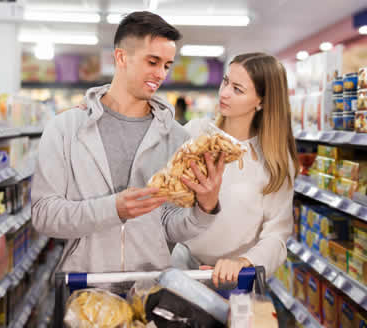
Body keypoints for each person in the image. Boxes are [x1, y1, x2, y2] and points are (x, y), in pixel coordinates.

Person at [31, 11, 224, 274]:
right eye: (153, 61)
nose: (160, 74)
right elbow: (44, 215)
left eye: (167, 65)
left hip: (150, 288)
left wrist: (206, 207)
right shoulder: (66, 129)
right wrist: (113, 209)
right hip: (84, 288)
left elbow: (169, 226)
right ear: (121, 57)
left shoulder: (178, 139)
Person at [172, 53, 299, 287]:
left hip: (236, 278)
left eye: (238, 89)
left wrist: (243, 261)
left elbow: (277, 235)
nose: (224, 93)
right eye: (225, 81)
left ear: (261, 101)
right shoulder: (195, 133)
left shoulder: (275, 161)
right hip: (183, 269)